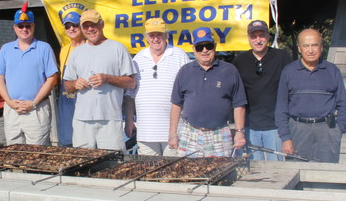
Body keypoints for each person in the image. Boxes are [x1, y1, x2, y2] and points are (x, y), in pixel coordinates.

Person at [63, 9, 136, 151]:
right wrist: (75, 84)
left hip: (110, 119)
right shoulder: (76, 52)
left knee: (113, 165)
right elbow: (67, 86)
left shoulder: (117, 48)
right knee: (82, 165)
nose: (90, 29)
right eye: (85, 26)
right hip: (82, 120)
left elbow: (131, 82)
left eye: (94, 25)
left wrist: (107, 78)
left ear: (102, 24)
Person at [275, 29, 346, 163]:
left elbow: (343, 104)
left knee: (327, 178)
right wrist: (286, 138)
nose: (310, 50)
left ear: (321, 47)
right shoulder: (289, 72)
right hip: (298, 130)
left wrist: (338, 131)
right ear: (299, 48)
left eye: (315, 45)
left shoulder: (332, 71)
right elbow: (281, 108)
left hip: (327, 131)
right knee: (297, 172)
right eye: (306, 46)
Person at [169, 27, 247, 157]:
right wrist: (172, 133)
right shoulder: (185, 71)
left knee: (221, 174)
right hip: (190, 133)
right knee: (187, 174)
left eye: (208, 46)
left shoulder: (229, 70)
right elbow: (176, 104)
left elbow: (239, 105)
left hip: (219, 133)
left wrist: (239, 132)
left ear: (215, 46)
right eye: (200, 47)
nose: (204, 50)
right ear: (194, 49)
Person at [0, 3, 58, 145]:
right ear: (15, 28)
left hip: (36, 109)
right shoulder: (6, 49)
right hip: (12, 110)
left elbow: (52, 79)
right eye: (20, 26)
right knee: (14, 153)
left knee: (37, 155)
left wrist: (34, 103)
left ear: (33, 27)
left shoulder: (44, 48)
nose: (24, 29)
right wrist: (9, 102)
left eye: (28, 25)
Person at [124, 17, 189, 155]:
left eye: (159, 34)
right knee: (150, 174)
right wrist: (129, 121)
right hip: (146, 133)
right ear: (146, 38)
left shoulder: (180, 56)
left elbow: (189, 93)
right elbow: (130, 96)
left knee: (173, 173)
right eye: (152, 35)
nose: (155, 39)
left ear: (166, 35)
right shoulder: (137, 59)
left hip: (174, 132)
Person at [232, 20, 293, 161]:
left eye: (262, 35)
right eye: (254, 36)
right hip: (249, 127)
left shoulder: (282, 57)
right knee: (252, 172)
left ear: (268, 37)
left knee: (277, 171)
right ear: (248, 38)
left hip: (276, 127)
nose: (258, 40)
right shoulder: (239, 61)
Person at [57, 9, 86, 147]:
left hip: (84, 101)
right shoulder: (64, 50)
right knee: (67, 144)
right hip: (67, 103)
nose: (72, 29)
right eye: (68, 26)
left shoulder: (89, 47)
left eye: (75, 25)